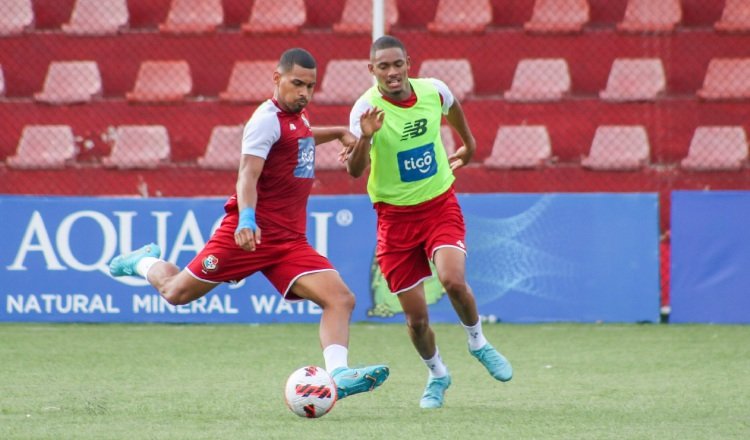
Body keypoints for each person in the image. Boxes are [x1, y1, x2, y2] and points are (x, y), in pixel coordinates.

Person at [109, 48, 389, 400]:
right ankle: (142, 261)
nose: (304, 92)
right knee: (175, 293)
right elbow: (247, 175)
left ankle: (340, 375)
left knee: (341, 299)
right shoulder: (264, 120)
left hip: (289, 242)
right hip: (250, 235)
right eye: (296, 83)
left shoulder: (296, 116)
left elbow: (299, 136)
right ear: (277, 78)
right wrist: (246, 220)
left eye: (310, 86)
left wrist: (337, 133)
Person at [346, 35, 512, 409]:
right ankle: (437, 374)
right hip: (394, 219)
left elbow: (452, 109)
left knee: (453, 280)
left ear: (408, 62)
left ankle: (478, 343)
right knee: (416, 320)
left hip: (438, 205)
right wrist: (365, 140)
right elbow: (354, 171)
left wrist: (467, 143)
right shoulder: (365, 110)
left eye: (397, 64)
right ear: (371, 70)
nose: (392, 72)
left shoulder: (432, 90)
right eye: (383, 67)